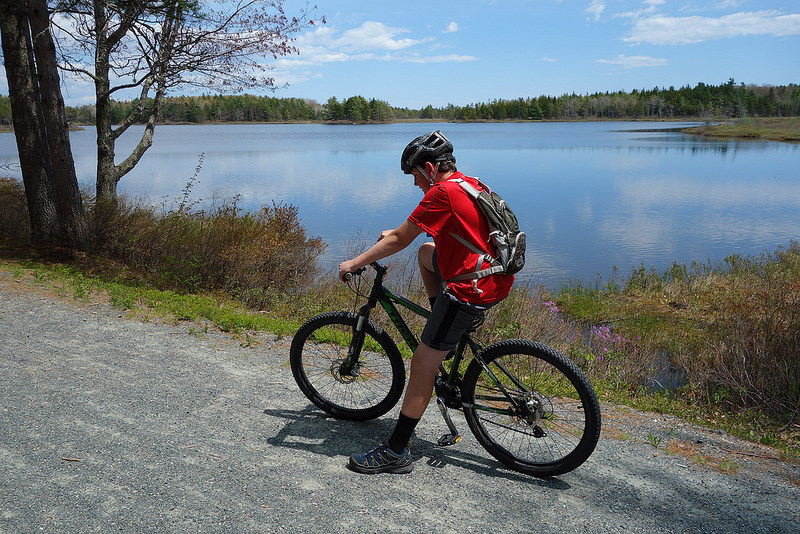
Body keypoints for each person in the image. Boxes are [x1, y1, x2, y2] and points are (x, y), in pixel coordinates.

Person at [338, 130, 514, 474]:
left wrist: (354, 263)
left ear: (430, 168)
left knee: (422, 364)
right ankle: (444, 328)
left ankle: (396, 451)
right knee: (426, 251)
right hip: (494, 276)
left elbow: (400, 239)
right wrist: (398, 231)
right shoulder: (468, 183)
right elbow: (429, 230)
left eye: (415, 176)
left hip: (469, 290)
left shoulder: (441, 192)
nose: (415, 184)